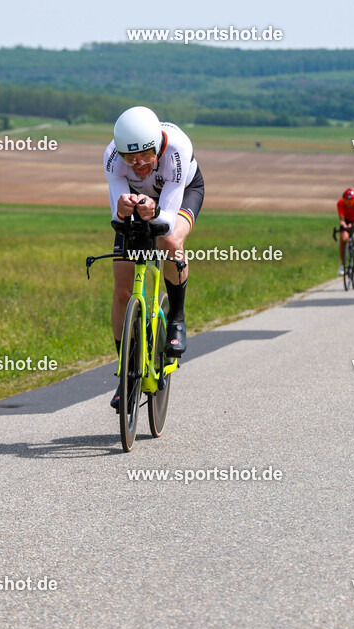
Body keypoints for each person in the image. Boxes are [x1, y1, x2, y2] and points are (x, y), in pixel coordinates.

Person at [104, 106, 205, 411]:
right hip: (140, 204)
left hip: (182, 193)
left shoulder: (177, 149)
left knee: (170, 240)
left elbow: (168, 219)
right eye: (130, 159)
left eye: (145, 156)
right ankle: (125, 373)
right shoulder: (112, 157)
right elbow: (117, 216)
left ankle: (176, 318)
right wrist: (124, 209)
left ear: (158, 144)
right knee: (122, 290)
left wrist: (154, 211)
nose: (138, 165)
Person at [336, 188, 354, 274]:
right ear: (343, 200)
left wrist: (352, 225)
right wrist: (344, 224)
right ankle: (342, 265)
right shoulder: (340, 203)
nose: (349, 204)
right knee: (343, 239)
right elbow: (341, 219)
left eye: (351, 202)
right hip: (346, 220)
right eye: (346, 201)